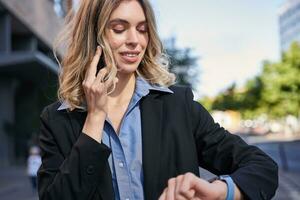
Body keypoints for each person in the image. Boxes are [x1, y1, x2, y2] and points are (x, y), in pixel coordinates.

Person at [37, 0, 278, 200]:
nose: (135, 40)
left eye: (142, 29)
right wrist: (95, 118)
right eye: (119, 28)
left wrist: (218, 191)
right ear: (93, 37)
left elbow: (262, 168)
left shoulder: (178, 105)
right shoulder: (56, 119)